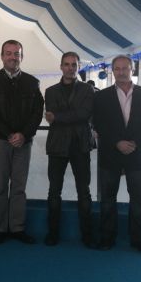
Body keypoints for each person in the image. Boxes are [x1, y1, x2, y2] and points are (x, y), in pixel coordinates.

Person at [93, 55, 141, 255]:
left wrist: (135, 143)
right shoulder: (101, 96)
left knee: (138, 200)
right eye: (117, 68)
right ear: (113, 71)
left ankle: (139, 240)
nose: (121, 72)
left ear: (132, 69)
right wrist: (117, 142)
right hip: (110, 154)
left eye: (125, 68)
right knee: (107, 200)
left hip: (137, 155)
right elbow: (98, 123)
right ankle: (107, 238)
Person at [0, 40, 44, 245]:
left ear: (21, 57)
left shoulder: (32, 83)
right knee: (0, 185)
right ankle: (0, 228)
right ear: (2, 56)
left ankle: (17, 228)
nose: (12, 57)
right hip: (0, 140)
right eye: (8, 53)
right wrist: (10, 134)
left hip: (23, 143)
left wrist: (24, 135)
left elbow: (37, 113)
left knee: (19, 186)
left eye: (16, 54)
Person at [43, 52, 95, 247]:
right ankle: (53, 233)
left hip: (80, 145)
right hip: (57, 146)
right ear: (61, 66)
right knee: (54, 191)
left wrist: (59, 117)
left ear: (78, 66)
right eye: (67, 64)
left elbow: (85, 114)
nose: (70, 68)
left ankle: (87, 235)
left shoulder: (88, 90)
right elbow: (55, 114)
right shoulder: (50, 91)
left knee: (84, 192)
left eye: (74, 64)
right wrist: (66, 116)